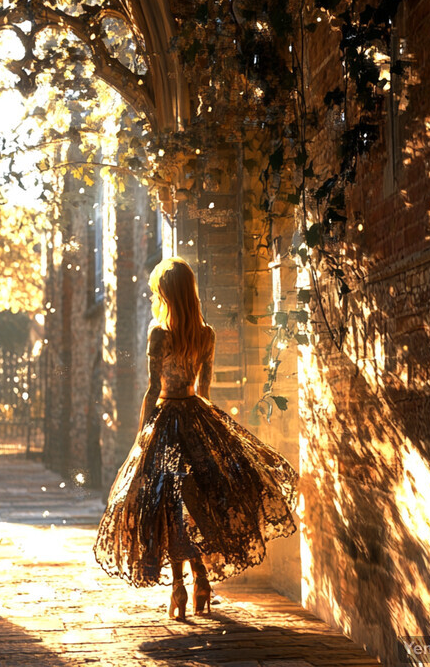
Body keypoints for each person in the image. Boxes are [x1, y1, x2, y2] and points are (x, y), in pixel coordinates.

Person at [93, 257, 298, 620]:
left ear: (168, 294)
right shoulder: (206, 334)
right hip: (196, 416)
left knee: (167, 507)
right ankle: (202, 580)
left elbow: (153, 388)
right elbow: (204, 388)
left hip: (166, 420)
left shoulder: (160, 335)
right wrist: (211, 431)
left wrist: (143, 435)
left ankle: (179, 588)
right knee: (198, 504)